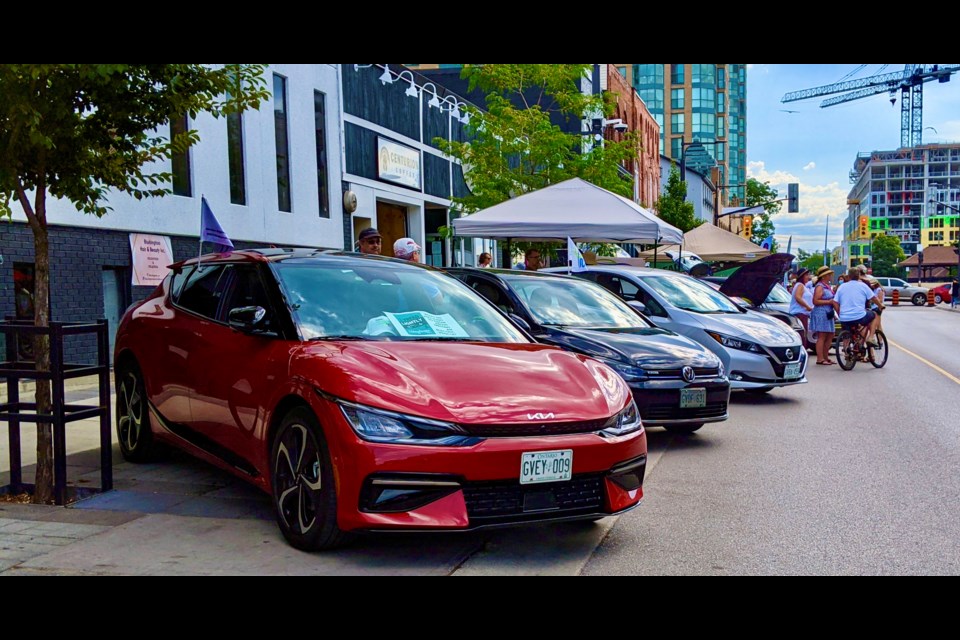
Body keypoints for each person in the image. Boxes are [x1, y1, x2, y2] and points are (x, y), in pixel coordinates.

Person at [835, 268, 882, 348]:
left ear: (848, 276)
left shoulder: (842, 287)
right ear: (859, 276)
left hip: (844, 317)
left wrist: (840, 313)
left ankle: (846, 352)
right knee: (873, 314)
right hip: (859, 316)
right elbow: (873, 298)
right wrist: (880, 305)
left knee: (846, 333)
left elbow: (835, 302)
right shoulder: (863, 286)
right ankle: (871, 337)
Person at [809, 266, 839, 365]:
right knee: (822, 336)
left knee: (830, 334)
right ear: (824, 276)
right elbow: (815, 301)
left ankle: (826, 357)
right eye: (829, 275)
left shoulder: (827, 286)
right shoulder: (820, 286)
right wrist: (829, 301)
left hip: (828, 312)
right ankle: (820, 358)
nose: (831, 276)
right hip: (821, 312)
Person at [789, 268, 814, 338]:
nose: (808, 277)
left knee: (803, 335)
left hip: (803, 314)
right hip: (800, 314)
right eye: (806, 275)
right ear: (801, 276)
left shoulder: (803, 286)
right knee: (802, 336)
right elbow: (798, 297)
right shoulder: (800, 285)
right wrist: (807, 306)